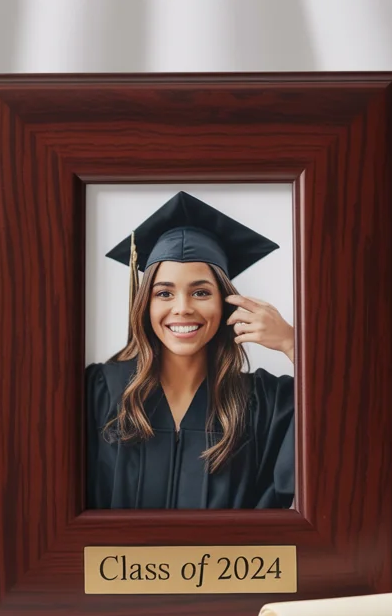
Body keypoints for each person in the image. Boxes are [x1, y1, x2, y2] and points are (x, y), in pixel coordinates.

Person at [87, 191, 296, 510]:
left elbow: (345, 426)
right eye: (164, 293)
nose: (182, 308)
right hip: (119, 562)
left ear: (224, 303)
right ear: (145, 305)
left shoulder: (264, 403)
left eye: (200, 292)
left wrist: (292, 343)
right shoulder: (99, 391)